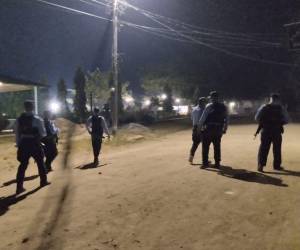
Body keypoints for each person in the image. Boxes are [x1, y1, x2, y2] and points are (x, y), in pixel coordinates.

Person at [14, 100, 50, 195]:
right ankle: (43, 181)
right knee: (40, 163)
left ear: (24, 107)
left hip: (24, 143)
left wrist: (18, 144)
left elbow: (17, 133)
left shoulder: (19, 119)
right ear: (33, 107)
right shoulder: (37, 119)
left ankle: (19, 187)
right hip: (34, 143)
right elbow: (43, 133)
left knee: (22, 165)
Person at [255, 93, 289, 172]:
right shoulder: (281, 108)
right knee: (277, 149)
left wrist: (264, 122)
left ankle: (260, 165)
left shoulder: (264, 107)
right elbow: (287, 119)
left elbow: (256, 118)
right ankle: (277, 166)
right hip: (276, 131)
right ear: (278, 100)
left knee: (263, 148)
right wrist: (280, 122)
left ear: (270, 99)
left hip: (266, 130)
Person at [198, 91, 228, 169]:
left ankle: (205, 163)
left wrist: (199, 128)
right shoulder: (223, 106)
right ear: (218, 98)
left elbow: (202, 118)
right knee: (217, 146)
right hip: (218, 129)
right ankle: (217, 163)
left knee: (205, 146)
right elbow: (227, 119)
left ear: (211, 98)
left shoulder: (209, 106)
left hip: (208, 129)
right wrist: (225, 129)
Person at [189, 97, 207, 164]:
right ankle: (205, 160)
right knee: (205, 145)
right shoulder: (203, 110)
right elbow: (203, 120)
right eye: (204, 102)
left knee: (195, 144)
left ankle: (191, 157)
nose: (205, 104)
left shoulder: (194, 109)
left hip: (194, 128)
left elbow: (192, 118)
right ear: (202, 103)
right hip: (201, 128)